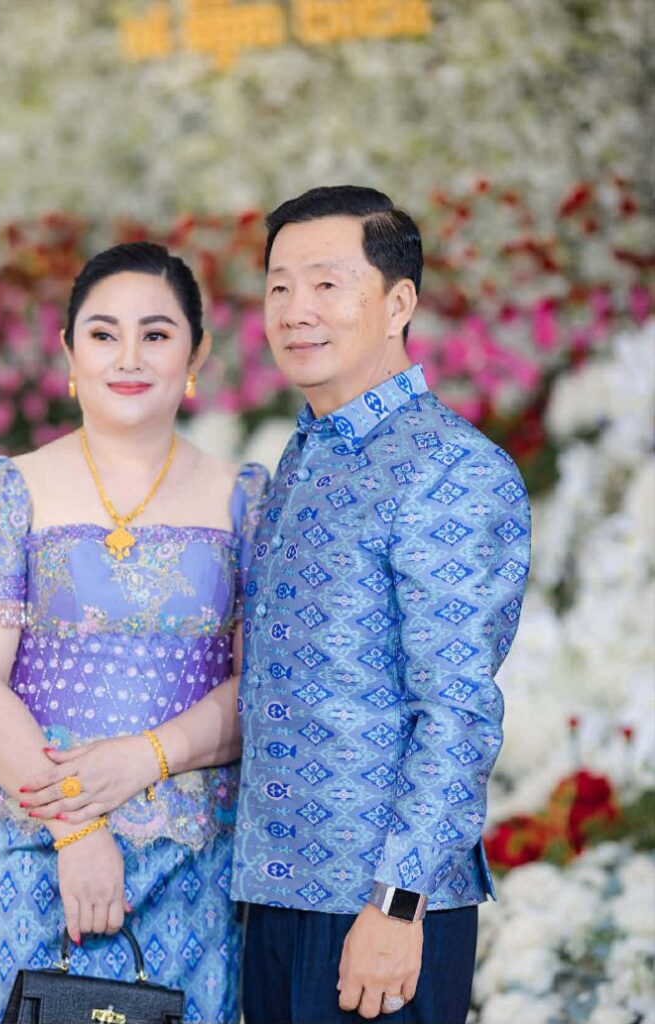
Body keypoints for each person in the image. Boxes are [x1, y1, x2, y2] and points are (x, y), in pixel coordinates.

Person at [0, 241, 268, 1024]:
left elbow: (258, 687)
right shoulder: (8, 491)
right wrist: (76, 830)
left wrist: (145, 756)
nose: (128, 357)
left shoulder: (245, 500)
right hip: (37, 844)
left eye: (155, 333)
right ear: (68, 351)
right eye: (102, 333)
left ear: (196, 353)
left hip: (190, 854)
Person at [231, 186, 531, 1024]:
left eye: (326, 284)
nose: (295, 309)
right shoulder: (305, 454)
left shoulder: (450, 467)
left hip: (378, 906)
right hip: (275, 895)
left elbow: (457, 710)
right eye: (279, 286)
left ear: (398, 303)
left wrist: (397, 906)